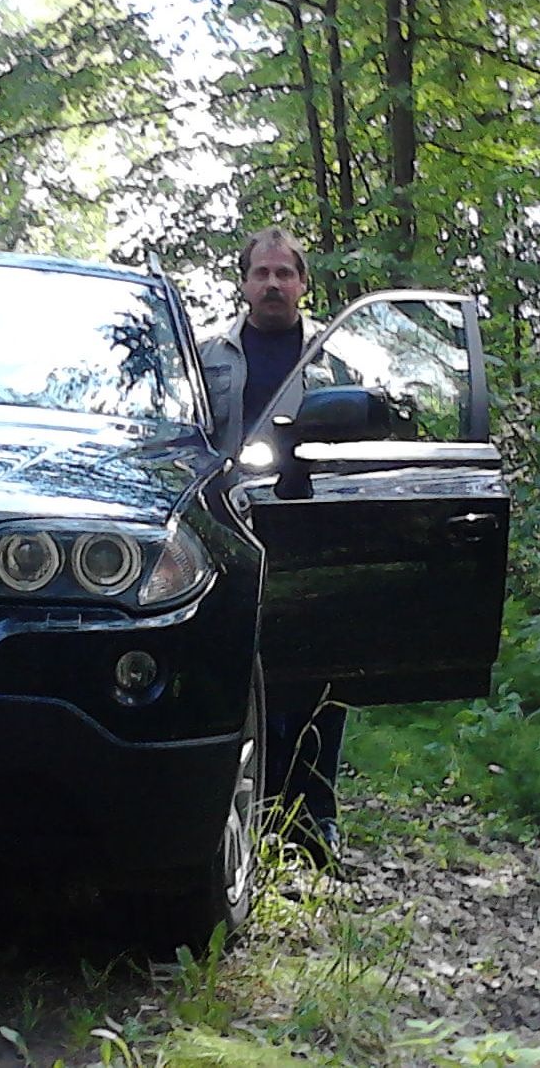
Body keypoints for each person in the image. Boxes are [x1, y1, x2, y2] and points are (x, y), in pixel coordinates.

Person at [199, 225, 347, 867]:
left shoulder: (334, 359)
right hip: (228, 532)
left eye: (285, 273)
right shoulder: (208, 356)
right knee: (236, 670)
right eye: (261, 272)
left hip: (311, 531)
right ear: (243, 282)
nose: (272, 284)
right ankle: (241, 813)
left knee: (320, 669)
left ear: (303, 283)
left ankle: (314, 817)